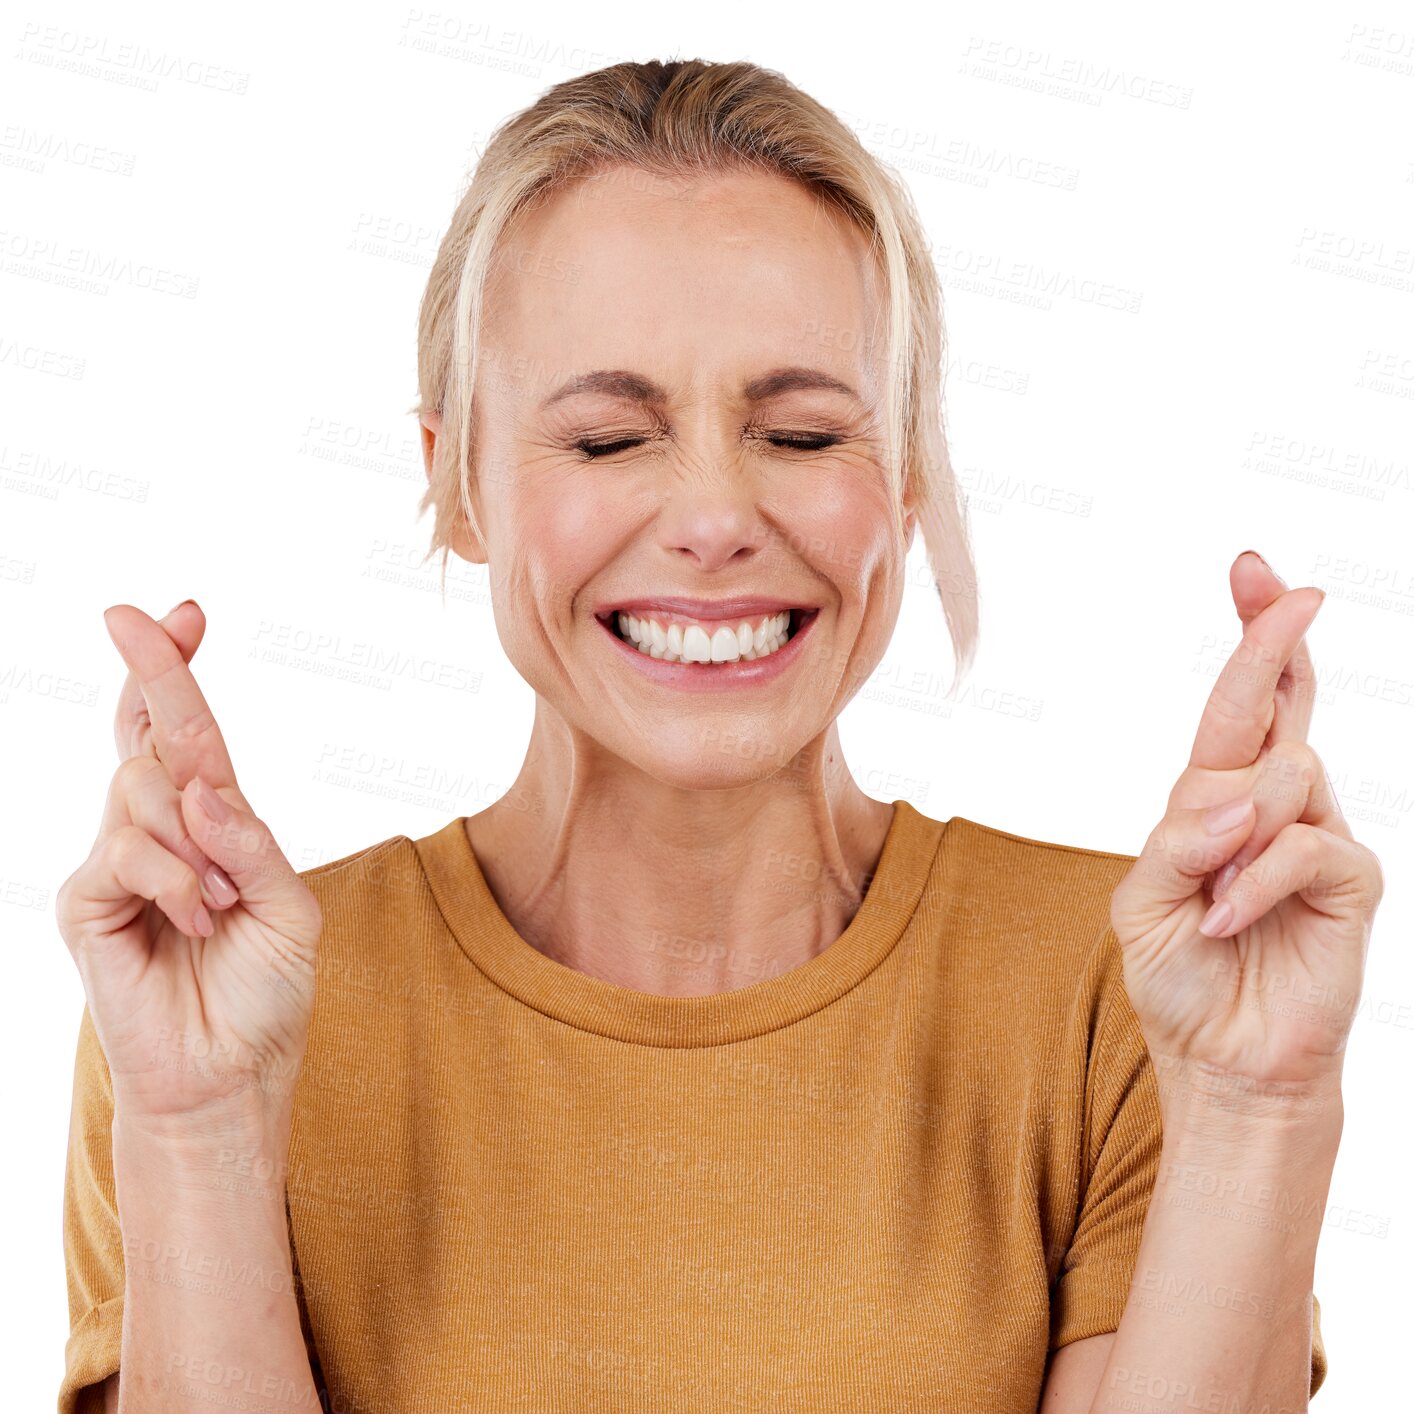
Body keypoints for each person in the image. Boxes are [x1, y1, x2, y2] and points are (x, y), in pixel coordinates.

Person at [58, 58, 1381, 1412]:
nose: (712, 515)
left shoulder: (1133, 994)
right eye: (607, 439)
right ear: (457, 481)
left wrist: (1253, 1110)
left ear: (908, 476)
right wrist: (198, 1131)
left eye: (802, 434)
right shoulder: (218, 1012)